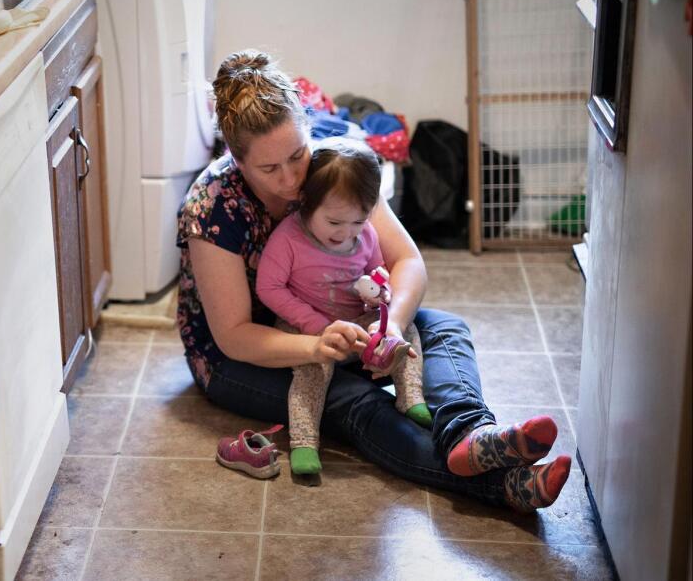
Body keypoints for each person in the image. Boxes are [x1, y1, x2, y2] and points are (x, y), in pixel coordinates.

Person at [177, 49, 570, 510]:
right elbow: (233, 337)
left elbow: (408, 262)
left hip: (341, 320)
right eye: (268, 169)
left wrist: (393, 326)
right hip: (247, 357)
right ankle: (500, 484)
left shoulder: (330, 167)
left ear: (308, 129)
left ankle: (472, 434)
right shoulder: (211, 207)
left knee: (442, 329)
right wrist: (317, 345)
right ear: (234, 158)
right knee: (353, 399)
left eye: (297, 155)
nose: (289, 180)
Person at [254, 138, 428, 477]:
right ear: (306, 203)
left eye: (358, 222)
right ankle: (304, 442)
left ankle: (411, 396)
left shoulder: (366, 236)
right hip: (306, 324)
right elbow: (268, 288)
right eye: (334, 223)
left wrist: (379, 297)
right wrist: (315, 326)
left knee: (407, 329)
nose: (347, 233)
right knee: (311, 371)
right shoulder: (289, 240)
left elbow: (378, 272)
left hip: (354, 319)